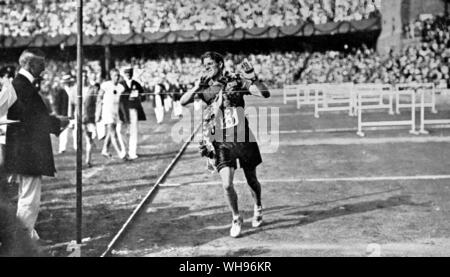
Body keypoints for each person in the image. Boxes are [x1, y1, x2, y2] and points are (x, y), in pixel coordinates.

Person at [180, 52, 270, 238]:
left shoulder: (236, 80)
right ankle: (236, 217)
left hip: (243, 135)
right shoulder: (206, 87)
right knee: (227, 184)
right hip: (220, 139)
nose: (207, 68)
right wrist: (197, 86)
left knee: (251, 179)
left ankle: (258, 206)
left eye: (210, 64)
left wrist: (253, 77)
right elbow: (183, 101)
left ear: (220, 64)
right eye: (204, 65)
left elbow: (265, 93)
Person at [4, 49, 69, 242]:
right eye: (41, 63)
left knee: (27, 195)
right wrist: (58, 123)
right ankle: (21, 239)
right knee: (29, 199)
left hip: (23, 150)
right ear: (30, 65)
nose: (44, 67)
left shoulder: (21, 85)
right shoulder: (22, 87)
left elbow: (30, 118)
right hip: (28, 152)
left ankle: (28, 236)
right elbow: (36, 120)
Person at [96, 68, 126, 160]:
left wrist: (123, 114)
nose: (117, 77)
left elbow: (120, 102)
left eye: (118, 75)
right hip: (107, 112)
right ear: (111, 76)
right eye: (115, 75)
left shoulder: (121, 87)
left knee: (110, 132)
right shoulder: (105, 85)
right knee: (113, 134)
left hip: (115, 112)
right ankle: (121, 153)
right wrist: (98, 113)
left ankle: (104, 150)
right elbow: (99, 99)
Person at [118, 66, 146, 160]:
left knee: (133, 131)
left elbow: (143, 96)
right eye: (126, 73)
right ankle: (124, 150)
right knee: (121, 130)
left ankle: (132, 152)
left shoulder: (136, 84)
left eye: (130, 73)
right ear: (124, 74)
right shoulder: (120, 84)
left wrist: (138, 97)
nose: (128, 75)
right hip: (122, 110)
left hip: (133, 109)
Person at [50, 76, 70, 154]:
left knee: (65, 130)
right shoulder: (60, 91)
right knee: (63, 130)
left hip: (66, 112)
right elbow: (57, 103)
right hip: (63, 113)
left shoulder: (68, 90)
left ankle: (63, 147)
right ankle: (62, 148)